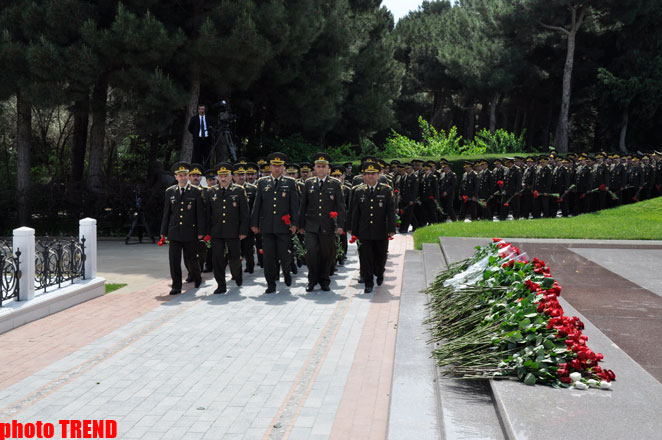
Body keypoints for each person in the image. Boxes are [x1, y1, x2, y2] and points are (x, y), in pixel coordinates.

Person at [251, 152, 299, 293]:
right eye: (274, 166)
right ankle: (271, 283)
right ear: (270, 167)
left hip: (284, 226)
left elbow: (294, 206)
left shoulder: (290, 182)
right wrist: (254, 223)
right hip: (267, 227)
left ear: (283, 167)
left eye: (279, 166)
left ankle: (286, 272)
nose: (277, 169)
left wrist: (294, 223)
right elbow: (257, 204)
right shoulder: (262, 182)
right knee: (268, 257)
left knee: (285, 255)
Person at [297, 153, 346, 292]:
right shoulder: (308, 183)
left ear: (328, 168)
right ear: (314, 168)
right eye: (318, 166)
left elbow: (341, 206)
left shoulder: (335, 184)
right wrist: (300, 225)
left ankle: (324, 280)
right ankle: (312, 280)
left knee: (327, 253)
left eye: (323, 166)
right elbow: (303, 206)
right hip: (311, 225)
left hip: (327, 225)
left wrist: (341, 225)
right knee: (311, 252)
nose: (321, 169)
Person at [349, 162, 396, 293]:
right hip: (364, 231)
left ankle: (380, 272)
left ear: (378, 175)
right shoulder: (358, 191)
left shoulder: (386, 190)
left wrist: (391, 229)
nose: (370, 176)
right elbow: (355, 212)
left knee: (381, 256)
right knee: (366, 257)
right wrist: (354, 230)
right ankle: (368, 282)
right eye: (368, 174)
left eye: (373, 174)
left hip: (381, 229)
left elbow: (390, 211)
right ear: (364, 175)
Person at [160, 162, 205, 295]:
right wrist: (163, 232)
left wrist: (201, 232)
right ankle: (176, 285)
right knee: (174, 260)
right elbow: (167, 213)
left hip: (190, 232)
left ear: (188, 176)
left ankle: (197, 277)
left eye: (185, 175)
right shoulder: (170, 191)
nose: (183, 177)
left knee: (192, 259)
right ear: (176, 177)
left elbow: (200, 214)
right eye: (180, 175)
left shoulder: (196, 191)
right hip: (174, 232)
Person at [205, 163, 249, 294]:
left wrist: (243, 231)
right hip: (216, 231)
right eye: (220, 176)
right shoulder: (211, 191)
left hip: (233, 231)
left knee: (234, 257)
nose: (223, 179)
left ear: (231, 177)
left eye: (226, 176)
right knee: (217, 259)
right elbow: (207, 214)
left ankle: (237, 274)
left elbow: (244, 214)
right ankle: (221, 285)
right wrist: (207, 232)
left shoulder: (239, 191)